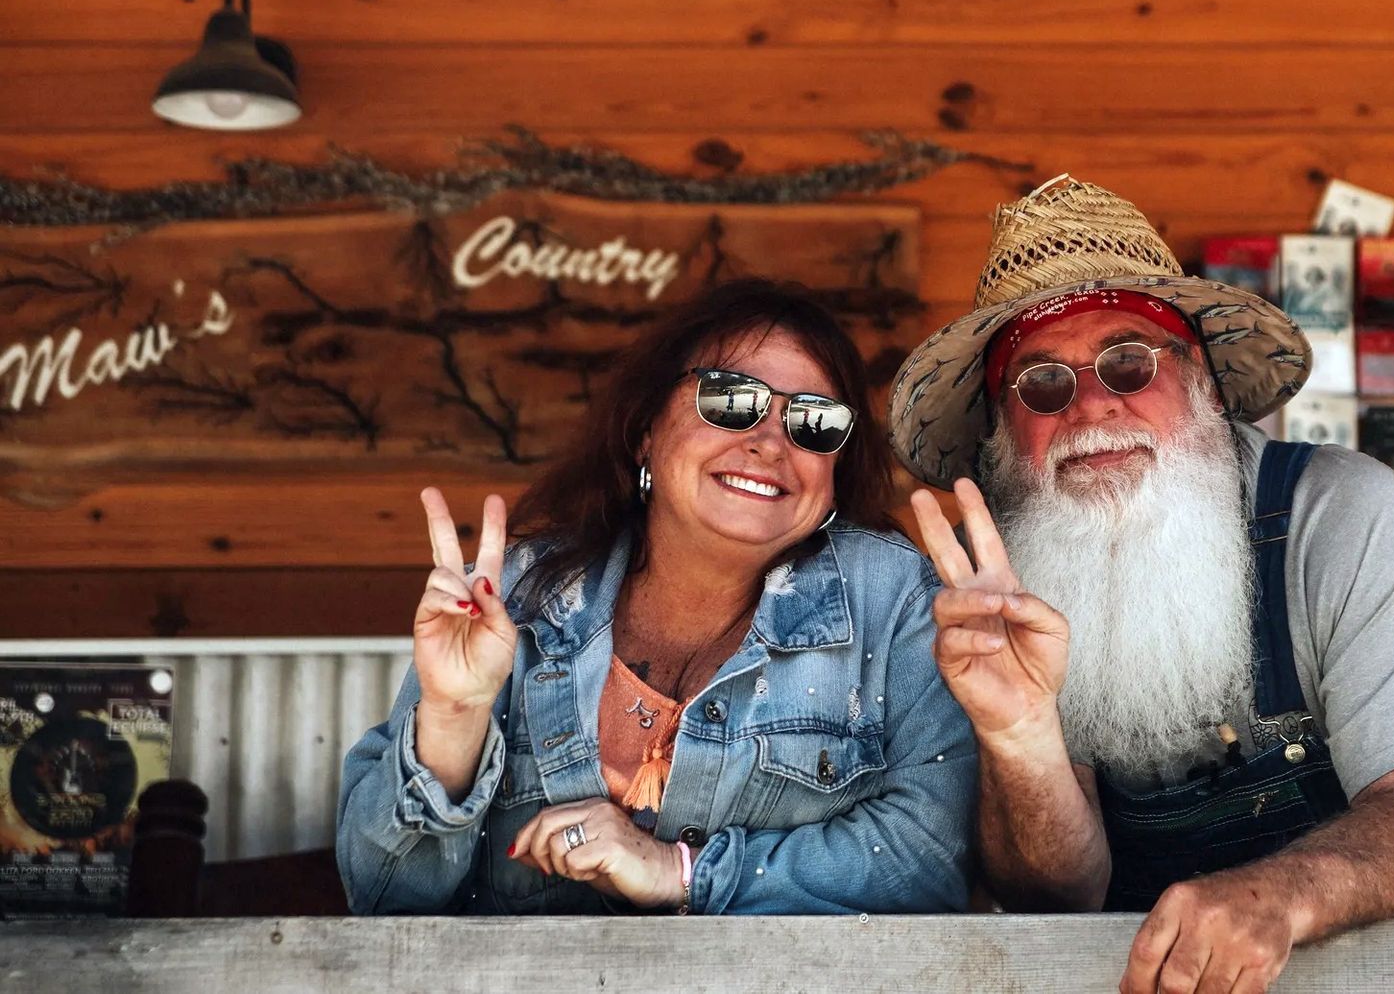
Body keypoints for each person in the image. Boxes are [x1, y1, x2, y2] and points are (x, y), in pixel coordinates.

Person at [892, 177, 1394, 992]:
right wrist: (1022, 739)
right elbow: (1054, 893)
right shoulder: (1007, 580)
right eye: (1042, 383)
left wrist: (1278, 897)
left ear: (1206, 386)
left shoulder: (1345, 518)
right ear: (1005, 432)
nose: (1089, 409)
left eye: (1127, 363)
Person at [338, 279, 975, 914]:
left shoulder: (890, 601)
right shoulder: (517, 598)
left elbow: (931, 860)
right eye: (730, 399)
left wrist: (684, 870)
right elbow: (383, 899)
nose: (771, 443)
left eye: (815, 421)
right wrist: (454, 716)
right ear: (646, 428)